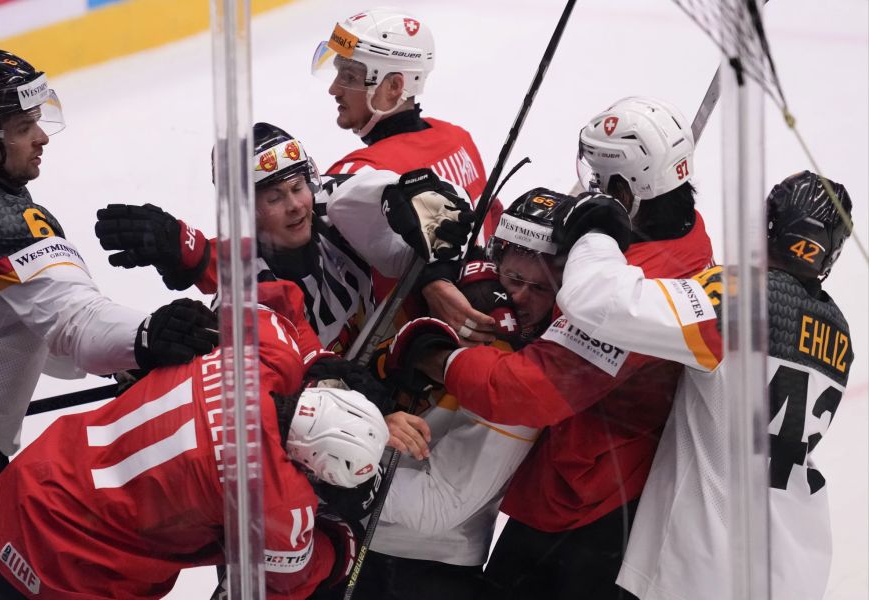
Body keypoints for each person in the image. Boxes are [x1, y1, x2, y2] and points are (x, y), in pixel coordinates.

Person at [389, 96, 716, 599]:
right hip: (599, 483)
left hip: (589, 507)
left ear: (624, 191)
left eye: (598, 177)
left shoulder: (629, 299)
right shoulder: (685, 233)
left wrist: (432, 353)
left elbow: (525, 390)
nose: (586, 184)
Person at [0, 48, 218, 599]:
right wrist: (146, 338)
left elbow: (26, 320)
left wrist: (121, 359)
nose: (42, 137)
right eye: (22, 126)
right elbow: (71, 320)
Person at [551, 170, 855, 600]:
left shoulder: (735, 297)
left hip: (699, 570)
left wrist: (598, 232)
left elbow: (597, 301)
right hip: (794, 571)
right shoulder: (838, 333)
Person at [0, 280, 389, 600]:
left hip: (22, 489)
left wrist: (314, 359)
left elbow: (266, 293)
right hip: (66, 573)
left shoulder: (261, 353)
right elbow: (285, 584)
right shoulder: (277, 498)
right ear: (309, 466)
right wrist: (339, 548)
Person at [339, 190, 571, 600]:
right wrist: (436, 275)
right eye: (514, 279)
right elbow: (344, 203)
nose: (519, 298)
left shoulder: (532, 373)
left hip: (425, 571)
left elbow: (438, 505)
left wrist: (326, 470)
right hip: (354, 541)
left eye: (540, 289)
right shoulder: (445, 297)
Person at [94, 122, 475, 355]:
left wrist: (409, 200)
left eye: (297, 187)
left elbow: (369, 193)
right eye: (275, 197)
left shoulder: (331, 206)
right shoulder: (249, 290)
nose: (295, 205)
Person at [312, 7, 502, 341]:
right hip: (484, 315)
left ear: (394, 86)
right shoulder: (458, 138)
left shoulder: (357, 173)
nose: (334, 89)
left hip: (410, 351)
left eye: (350, 77)